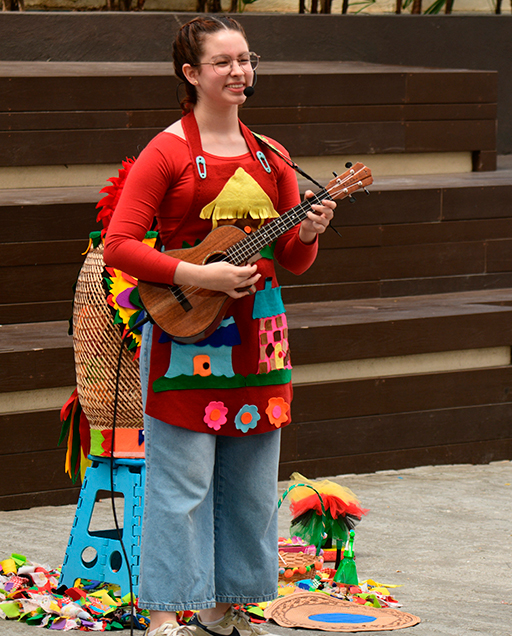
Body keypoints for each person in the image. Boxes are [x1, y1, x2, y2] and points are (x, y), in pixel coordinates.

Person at [103, 16, 336, 636]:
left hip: (261, 339)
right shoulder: (166, 151)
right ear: (191, 73)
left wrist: (308, 233)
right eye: (224, 61)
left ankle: (223, 610)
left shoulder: (271, 155)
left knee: (253, 487)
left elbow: (292, 260)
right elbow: (119, 244)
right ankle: (163, 615)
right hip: (186, 333)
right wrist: (197, 274)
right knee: (181, 485)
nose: (240, 71)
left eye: (246, 59)